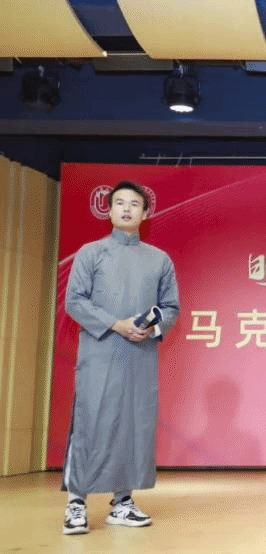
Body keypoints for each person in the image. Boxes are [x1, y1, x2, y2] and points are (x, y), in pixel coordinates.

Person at [61, 181, 180, 535]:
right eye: (120, 203)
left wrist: (151, 327)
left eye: (134, 204)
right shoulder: (90, 253)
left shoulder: (159, 259)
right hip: (100, 352)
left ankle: (123, 502)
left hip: (139, 354)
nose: (127, 209)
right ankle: (76, 504)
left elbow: (171, 307)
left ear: (146, 213)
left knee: (133, 423)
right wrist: (116, 324)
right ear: (109, 210)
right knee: (91, 421)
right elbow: (75, 301)